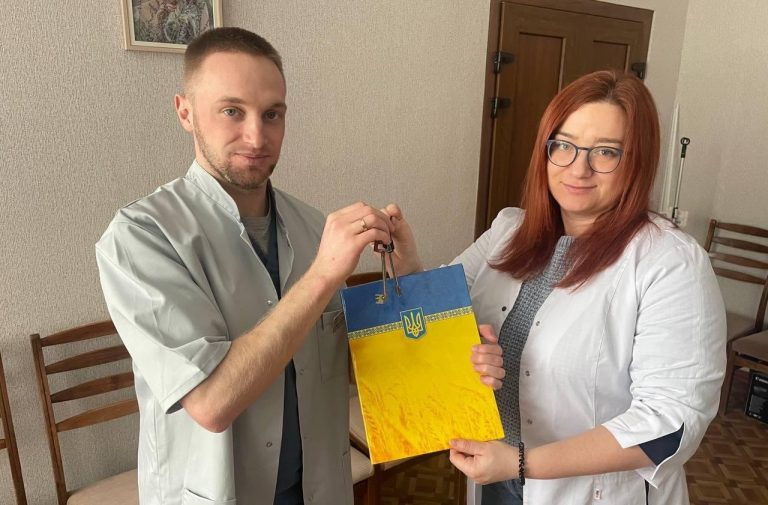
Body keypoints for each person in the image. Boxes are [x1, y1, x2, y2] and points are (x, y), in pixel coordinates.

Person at [385, 70, 726, 504]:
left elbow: (669, 423)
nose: (578, 168)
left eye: (606, 152)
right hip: (494, 477)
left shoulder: (670, 261)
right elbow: (441, 318)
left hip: (585, 492)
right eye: (563, 145)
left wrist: (522, 463)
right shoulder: (509, 230)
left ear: (637, 162)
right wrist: (406, 260)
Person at [96, 27, 397, 505]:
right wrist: (322, 275)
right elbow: (211, 403)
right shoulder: (141, 236)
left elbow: (352, 367)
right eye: (232, 111)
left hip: (320, 489)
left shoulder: (312, 226)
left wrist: (417, 292)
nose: (256, 136)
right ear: (185, 112)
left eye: (272, 114)